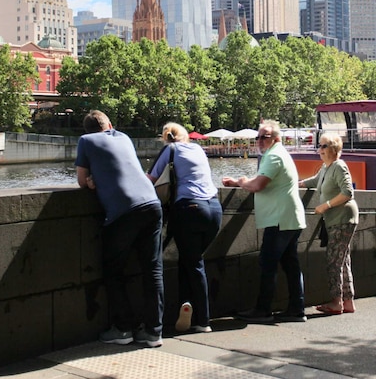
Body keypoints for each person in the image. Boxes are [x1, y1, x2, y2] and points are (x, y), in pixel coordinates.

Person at [75, 110, 164, 348]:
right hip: (152, 204)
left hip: (124, 211)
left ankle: (123, 329)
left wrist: (93, 181)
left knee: (113, 270)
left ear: (87, 130)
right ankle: (154, 332)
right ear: (110, 125)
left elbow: (82, 180)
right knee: (153, 270)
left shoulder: (86, 141)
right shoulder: (123, 137)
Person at [222, 119, 307, 323]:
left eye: (264, 137)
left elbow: (258, 184)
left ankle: (263, 309)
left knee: (268, 263)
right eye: (258, 137)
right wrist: (238, 182)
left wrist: (241, 182)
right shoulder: (277, 153)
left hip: (279, 219)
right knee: (290, 264)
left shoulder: (275, 155)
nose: (259, 140)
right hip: (289, 217)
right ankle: (297, 308)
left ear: (276, 138)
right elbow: (262, 180)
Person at [147, 122, 222, 334]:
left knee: (194, 263)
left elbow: (149, 179)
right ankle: (186, 305)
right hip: (214, 209)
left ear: (166, 137)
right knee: (189, 261)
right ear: (186, 136)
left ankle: (203, 320)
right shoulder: (198, 149)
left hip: (189, 209)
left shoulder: (170, 149)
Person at [299, 132, 359, 315]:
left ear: (334, 149)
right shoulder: (326, 168)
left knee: (334, 261)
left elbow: (348, 192)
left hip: (342, 218)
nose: (319, 150)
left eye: (324, 146)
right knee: (343, 260)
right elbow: (315, 181)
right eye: (320, 146)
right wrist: (295, 183)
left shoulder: (339, 166)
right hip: (336, 219)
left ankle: (336, 302)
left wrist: (325, 205)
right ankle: (347, 302)